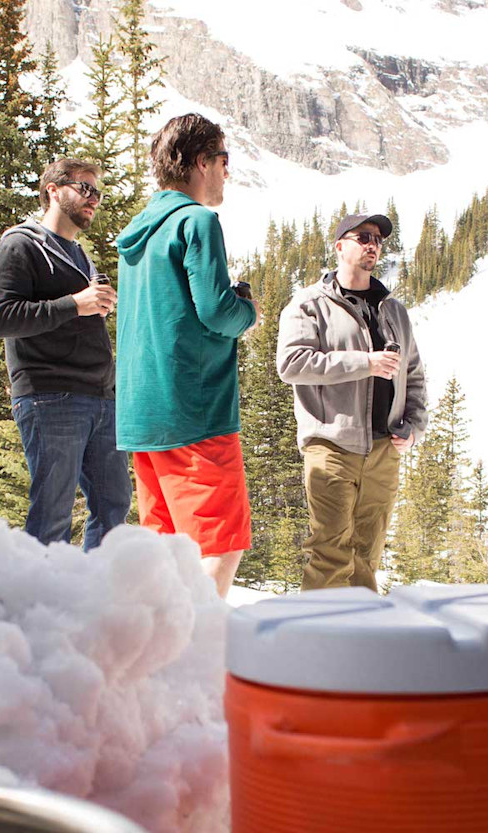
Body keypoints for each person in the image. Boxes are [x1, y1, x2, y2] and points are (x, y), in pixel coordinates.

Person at [114, 113, 257, 598]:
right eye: (223, 160)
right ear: (201, 162)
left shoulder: (137, 232)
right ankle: (200, 640)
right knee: (220, 542)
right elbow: (216, 311)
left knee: (168, 550)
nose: (226, 172)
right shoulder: (197, 221)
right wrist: (248, 311)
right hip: (194, 410)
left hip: (142, 414)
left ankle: (161, 642)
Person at [0, 158, 129, 550]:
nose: (93, 199)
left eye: (97, 193)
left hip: (101, 398)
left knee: (114, 509)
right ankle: (37, 591)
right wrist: (74, 304)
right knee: (52, 515)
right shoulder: (20, 244)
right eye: (84, 188)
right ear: (52, 190)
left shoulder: (80, 255)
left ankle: (95, 587)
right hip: (51, 396)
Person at [277, 213, 427, 591]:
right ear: (340, 246)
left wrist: (414, 427)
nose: (372, 245)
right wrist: (365, 363)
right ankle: (316, 628)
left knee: (367, 554)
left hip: (383, 450)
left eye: (377, 239)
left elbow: (414, 375)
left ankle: (360, 626)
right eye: (363, 237)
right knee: (330, 551)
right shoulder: (309, 304)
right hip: (330, 445)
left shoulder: (393, 310)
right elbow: (292, 364)